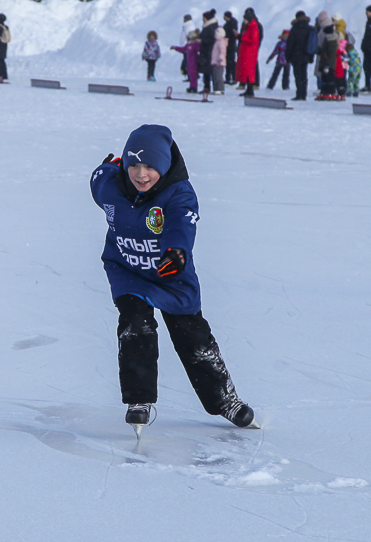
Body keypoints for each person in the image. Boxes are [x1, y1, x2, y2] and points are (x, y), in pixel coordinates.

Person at [88, 124, 258, 433]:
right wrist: (109, 167)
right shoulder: (110, 186)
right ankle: (139, 400)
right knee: (134, 323)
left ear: (164, 166)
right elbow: (98, 178)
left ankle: (225, 401)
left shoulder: (178, 193)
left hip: (172, 275)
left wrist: (176, 252)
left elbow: (182, 224)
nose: (141, 174)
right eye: (134, 164)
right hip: (127, 270)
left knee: (192, 337)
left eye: (150, 166)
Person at [286, 10, 313, 100]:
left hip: (295, 55)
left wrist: (288, 56)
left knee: (298, 75)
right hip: (306, 55)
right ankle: (304, 94)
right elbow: (312, 43)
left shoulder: (294, 28)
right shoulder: (309, 28)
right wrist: (311, 56)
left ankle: (299, 94)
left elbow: (290, 44)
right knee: (304, 75)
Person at [236, 8, 261, 98]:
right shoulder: (247, 28)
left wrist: (242, 38)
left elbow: (252, 40)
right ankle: (248, 89)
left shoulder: (253, 28)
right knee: (245, 71)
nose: (244, 21)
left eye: (245, 19)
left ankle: (250, 89)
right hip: (246, 52)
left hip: (249, 53)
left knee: (249, 72)